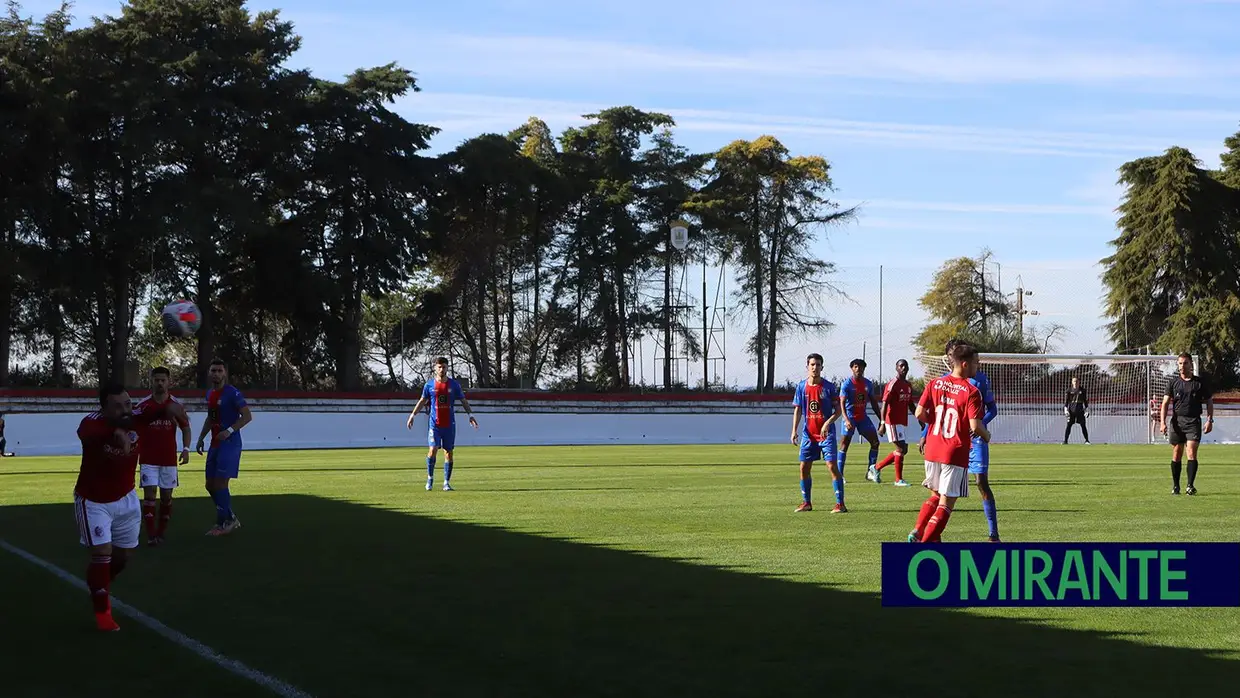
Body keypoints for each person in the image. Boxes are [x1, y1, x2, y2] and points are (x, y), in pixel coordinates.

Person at [76, 381, 186, 631]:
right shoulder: (92, 422)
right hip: (94, 500)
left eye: (127, 403)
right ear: (104, 408)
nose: (125, 410)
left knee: (123, 556)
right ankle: (103, 612)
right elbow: (86, 432)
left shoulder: (136, 417)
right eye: (117, 407)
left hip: (126, 498)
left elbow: (156, 412)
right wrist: (114, 433)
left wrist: (171, 410)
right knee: (102, 551)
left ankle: (101, 583)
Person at [908, 342, 989, 543]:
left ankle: (918, 531)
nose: (977, 367)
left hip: (932, 449)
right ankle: (923, 547)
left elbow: (919, 413)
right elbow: (975, 426)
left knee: (936, 496)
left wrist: (935, 424)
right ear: (964, 364)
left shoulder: (934, 383)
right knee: (946, 503)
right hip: (953, 451)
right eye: (975, 363)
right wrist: (987, 436)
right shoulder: (971, 391)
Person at [195, 360, 252, 535]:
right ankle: (230, 517)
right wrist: (201, 438)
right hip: (215, 443)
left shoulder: (232, 393)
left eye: (220, 370)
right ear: (209, 373)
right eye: (213, 370)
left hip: (230, 444)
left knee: (220, 483)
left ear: (225, 374)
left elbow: (247, 416)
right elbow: (211, 418)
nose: (216, 373)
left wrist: (229, 431)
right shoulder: (210, 394)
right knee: (209, 485)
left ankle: (223, 523)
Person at [136, 367, 191, 546]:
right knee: (150, 494)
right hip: (148, 458)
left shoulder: (175, 405)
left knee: (166, 497)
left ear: (169, 382)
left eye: (163, 380)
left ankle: (161, 532)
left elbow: (185, 427)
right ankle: (151, 535)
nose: (159, 383)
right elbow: (133, 426)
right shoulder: (143, 405)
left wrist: (186, 449)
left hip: (168, 459)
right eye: (156, 380)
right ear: (151, 381)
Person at [406, 357, 478, 491]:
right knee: (433, 450)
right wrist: (412, 415)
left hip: (449, 425)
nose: (441, 369)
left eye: (444, 367)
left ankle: (446, 482)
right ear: (435, 368)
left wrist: (471, 415)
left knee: (448, 453)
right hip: (435, 424)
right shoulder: (429, 385)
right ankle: (430, 478)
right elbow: (422, 401)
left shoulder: (454, 385)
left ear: (447, 368)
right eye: (439, 367)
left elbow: (463, 400)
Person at [790, 353, 846, 513]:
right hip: (809, 435)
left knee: (832, 466)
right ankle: (806, 503)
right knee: (804, 468)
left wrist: (827, 423)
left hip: (826, 435)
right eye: (812, 365)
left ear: (822, 367)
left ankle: (840, 504)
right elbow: (798, 409)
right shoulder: (801, 387)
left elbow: (838, 410)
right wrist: (794, 430)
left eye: (818, 365)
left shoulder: (829, 387)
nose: (815, 368)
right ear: (807, 366)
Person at [1160, 353, 1214, 495]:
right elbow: (1165, 403)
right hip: (1177, 422)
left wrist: (1210, 420)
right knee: (1177, 453)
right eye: (1180, 363)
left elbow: (1209, 401)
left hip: (1193, 422)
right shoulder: (1173, 383)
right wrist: (1162, 422)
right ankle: (1176, 486)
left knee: (1191, 452)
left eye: (1185, 363)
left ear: (1191, 364)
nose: (1182, 366)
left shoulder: (1199, 382)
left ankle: (1190, 486)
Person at [869, 359, 913, 486]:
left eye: (905, 366)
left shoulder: (908, 385)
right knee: (900, 448)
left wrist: (920, 419)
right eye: (901, 366)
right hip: (891, 420)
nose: (904, 368)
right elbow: (885, 404)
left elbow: (910, 404)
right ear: (897, 368)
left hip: (901, 421)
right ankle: (898, 480)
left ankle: (876, 468)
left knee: (903, 449)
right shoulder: (893, 384)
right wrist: (882, 423)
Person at [837, 358, 882, 481]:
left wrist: (881, 420)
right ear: (852, 368)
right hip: (850, 416)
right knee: (844, 444)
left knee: (875, 442)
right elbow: (841, 403)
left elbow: (873, 403)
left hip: (862, 417)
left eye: (861, 367)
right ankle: (839, 475)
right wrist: (846, 419)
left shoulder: (868, 384)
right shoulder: (847, 384)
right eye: (856, 367)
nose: (858, 369)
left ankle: (870, 472)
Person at [1064, 376, 1090, 444]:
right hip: (1071, 411)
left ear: (1079, 382)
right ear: (1072, 382)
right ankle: (1065, 441)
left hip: (1080, 411)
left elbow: (1085, 401)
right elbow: (1066, 402)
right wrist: (1066, 410)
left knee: (1083, 425)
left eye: (1077, 381)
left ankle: (1087, 440)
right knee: (1068, 426)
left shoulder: (1083, 390)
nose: (1076, 382)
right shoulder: (1069, 390)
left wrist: (1087, 410)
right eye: (1074, 381)